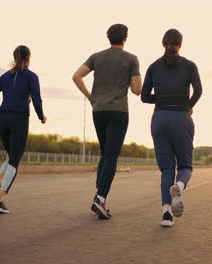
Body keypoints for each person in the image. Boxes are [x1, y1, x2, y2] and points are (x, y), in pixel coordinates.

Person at [72, 24, 142, 219]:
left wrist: (90, 96)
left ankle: (99, 194)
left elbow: (76, 76)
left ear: (108, 37)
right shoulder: (131, 59)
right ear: (125, 38)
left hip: (98, 111)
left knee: (105, 153)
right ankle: (100, 198)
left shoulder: (96, 56)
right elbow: (137, 90)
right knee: (111, 155)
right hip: (118, 111)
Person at [141, 29, 202, 227]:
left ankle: (166, 214)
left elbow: (144, 97)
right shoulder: (190, 66)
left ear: (163, 43)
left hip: (159, 119)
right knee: (185, 166)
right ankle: (179, 186)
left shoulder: (153, 67)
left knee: (167, 168)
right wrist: (187, 105)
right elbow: (199, 91)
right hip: (181, 118)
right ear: (180, 44)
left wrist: (160, 98)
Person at [0, 45, 47, 214]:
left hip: (3, 119)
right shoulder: (31, 76)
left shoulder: (5, 76)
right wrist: (41, 116)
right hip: (19, 120)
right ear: (28, 58)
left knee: (12, 155)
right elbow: (36, 100)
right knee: (15, 161)